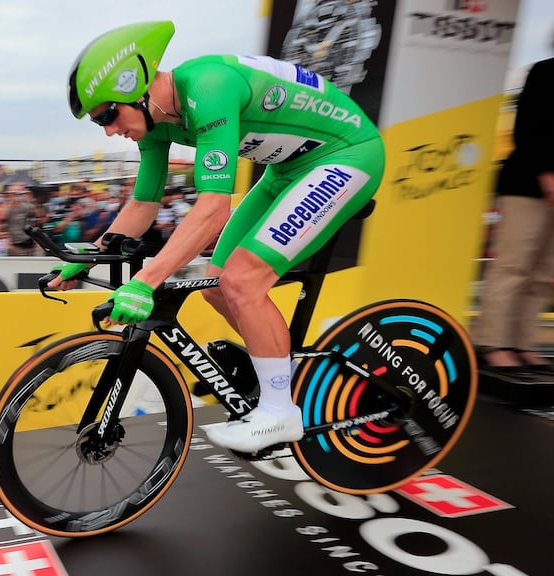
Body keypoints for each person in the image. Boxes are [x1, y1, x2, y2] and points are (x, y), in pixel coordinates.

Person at [49, 21, 385, 454]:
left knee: (242, 281)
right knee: (217, 286)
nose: (110, 130)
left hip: (348, 154)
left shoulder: (208, 86)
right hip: (286, 170)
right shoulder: (157, 124)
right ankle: (276, 375)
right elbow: (142, 206)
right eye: (100, 124)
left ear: (138, 89)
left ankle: (280, 412)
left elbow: (212, 210)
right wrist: (86, 260)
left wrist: (146, 281)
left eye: (108, 115)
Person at [472, 0, 554, 376]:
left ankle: (523, 344)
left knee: (544, 273)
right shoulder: (547, 71)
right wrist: (548, 174)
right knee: (512, 267)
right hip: (530, 184)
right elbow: (528, 130)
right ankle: (492, 344)